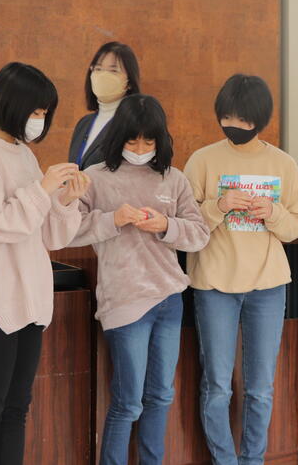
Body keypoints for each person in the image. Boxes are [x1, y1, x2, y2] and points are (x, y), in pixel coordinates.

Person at [0, 62, 89, 465]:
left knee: (16, 408)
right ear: (11, 103)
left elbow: (47, 236)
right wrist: (42, 189)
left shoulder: (24, 154)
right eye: (36, 110)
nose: (39, 119)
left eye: (45, 112)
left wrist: (65, 200)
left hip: (29, 302)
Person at [69, 93, 209, 465]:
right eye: (133, 142)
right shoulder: (95, 178)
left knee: (161, 396)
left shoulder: (173, 178)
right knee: (128, 402)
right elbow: (67, 230)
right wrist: (112, 220)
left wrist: (166, 225)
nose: (141, 149)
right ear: (118, 137)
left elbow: (199, 234)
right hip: (124, 301)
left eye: (149, 142)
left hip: (169, 299)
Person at [183, 74, 298, 465]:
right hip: (214, 284)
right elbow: (184, 225)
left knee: (260, 388)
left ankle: (252, 460)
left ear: (260, 119)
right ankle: (225, 461)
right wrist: (218, 206)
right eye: (227, 117)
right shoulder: (202, 160)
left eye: (243, 119)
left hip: (268, 286)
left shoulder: (283, 164)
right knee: (217, 385)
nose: (233, 125)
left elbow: (296, 227)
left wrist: (271, 212)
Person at [69, 41, 141, 169]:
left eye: (113, 70)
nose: (103, 75)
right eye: (98, 69)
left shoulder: (135, 124)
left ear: (129, 82)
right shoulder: (84, 123)